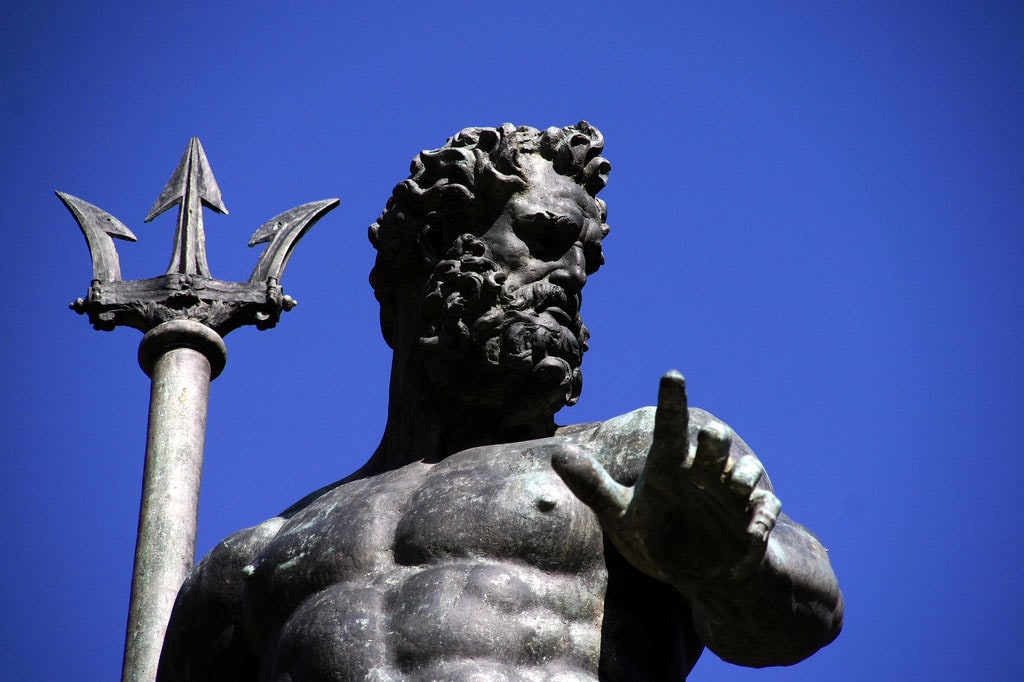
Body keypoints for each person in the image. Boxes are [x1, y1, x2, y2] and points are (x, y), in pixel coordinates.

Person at [158, 123, 843, 680]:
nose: (572, 275)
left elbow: (804, 613)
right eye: (544, 239)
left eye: (586, 259)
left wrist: (733, 566)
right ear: (435, 245)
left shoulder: (636, 457)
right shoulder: (248, 566)